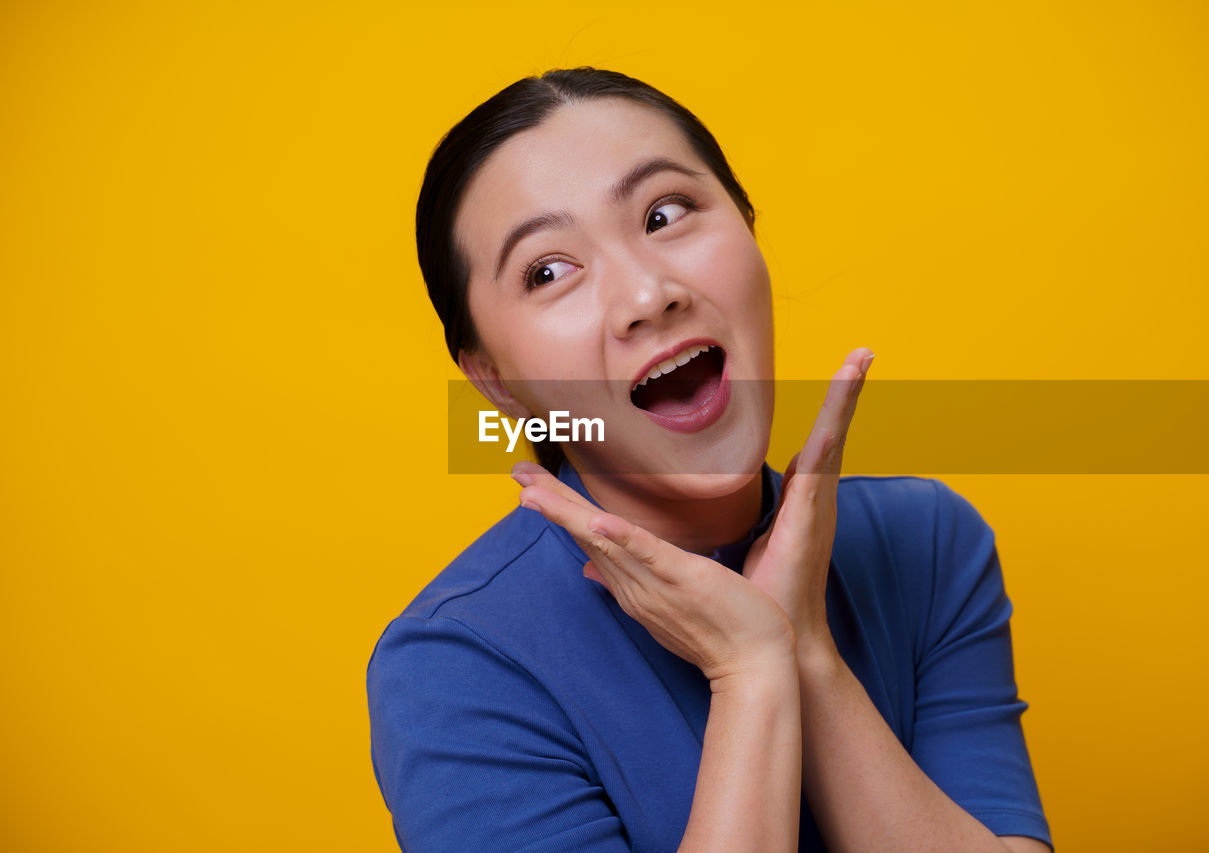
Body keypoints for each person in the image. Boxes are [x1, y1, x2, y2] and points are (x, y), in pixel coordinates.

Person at [367, 67, 1052, 853]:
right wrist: (750, 669)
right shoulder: (458, 665)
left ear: (751, 228)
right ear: (495, 381)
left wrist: (806, 650)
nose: (647, 294)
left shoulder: (924, 543)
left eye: (665, 213)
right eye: (549, 271)